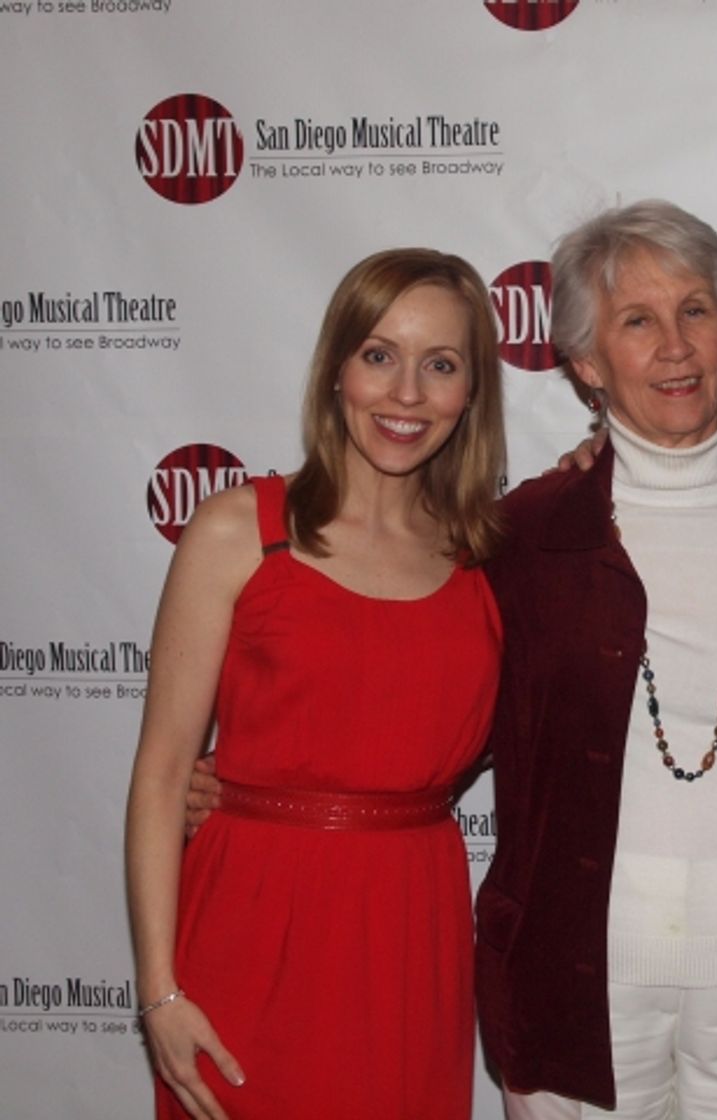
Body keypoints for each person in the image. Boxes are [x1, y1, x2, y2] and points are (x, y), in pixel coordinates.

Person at [478, 200, 717, 1120]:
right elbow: (425, 701)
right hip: (573, 978)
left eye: (696, 310)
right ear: (588, 365)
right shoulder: (521, 537)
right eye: (636, 321)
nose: (675, 346)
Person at [125, 248, 505, 1120]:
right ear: (336, 369)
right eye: (379, 355)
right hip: (249, 930)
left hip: (414, 939)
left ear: (471, 393)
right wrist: (159, 993)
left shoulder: (487, 560)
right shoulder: (236, 531)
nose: (406, 393)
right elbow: (158, 776)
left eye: (440, 365)